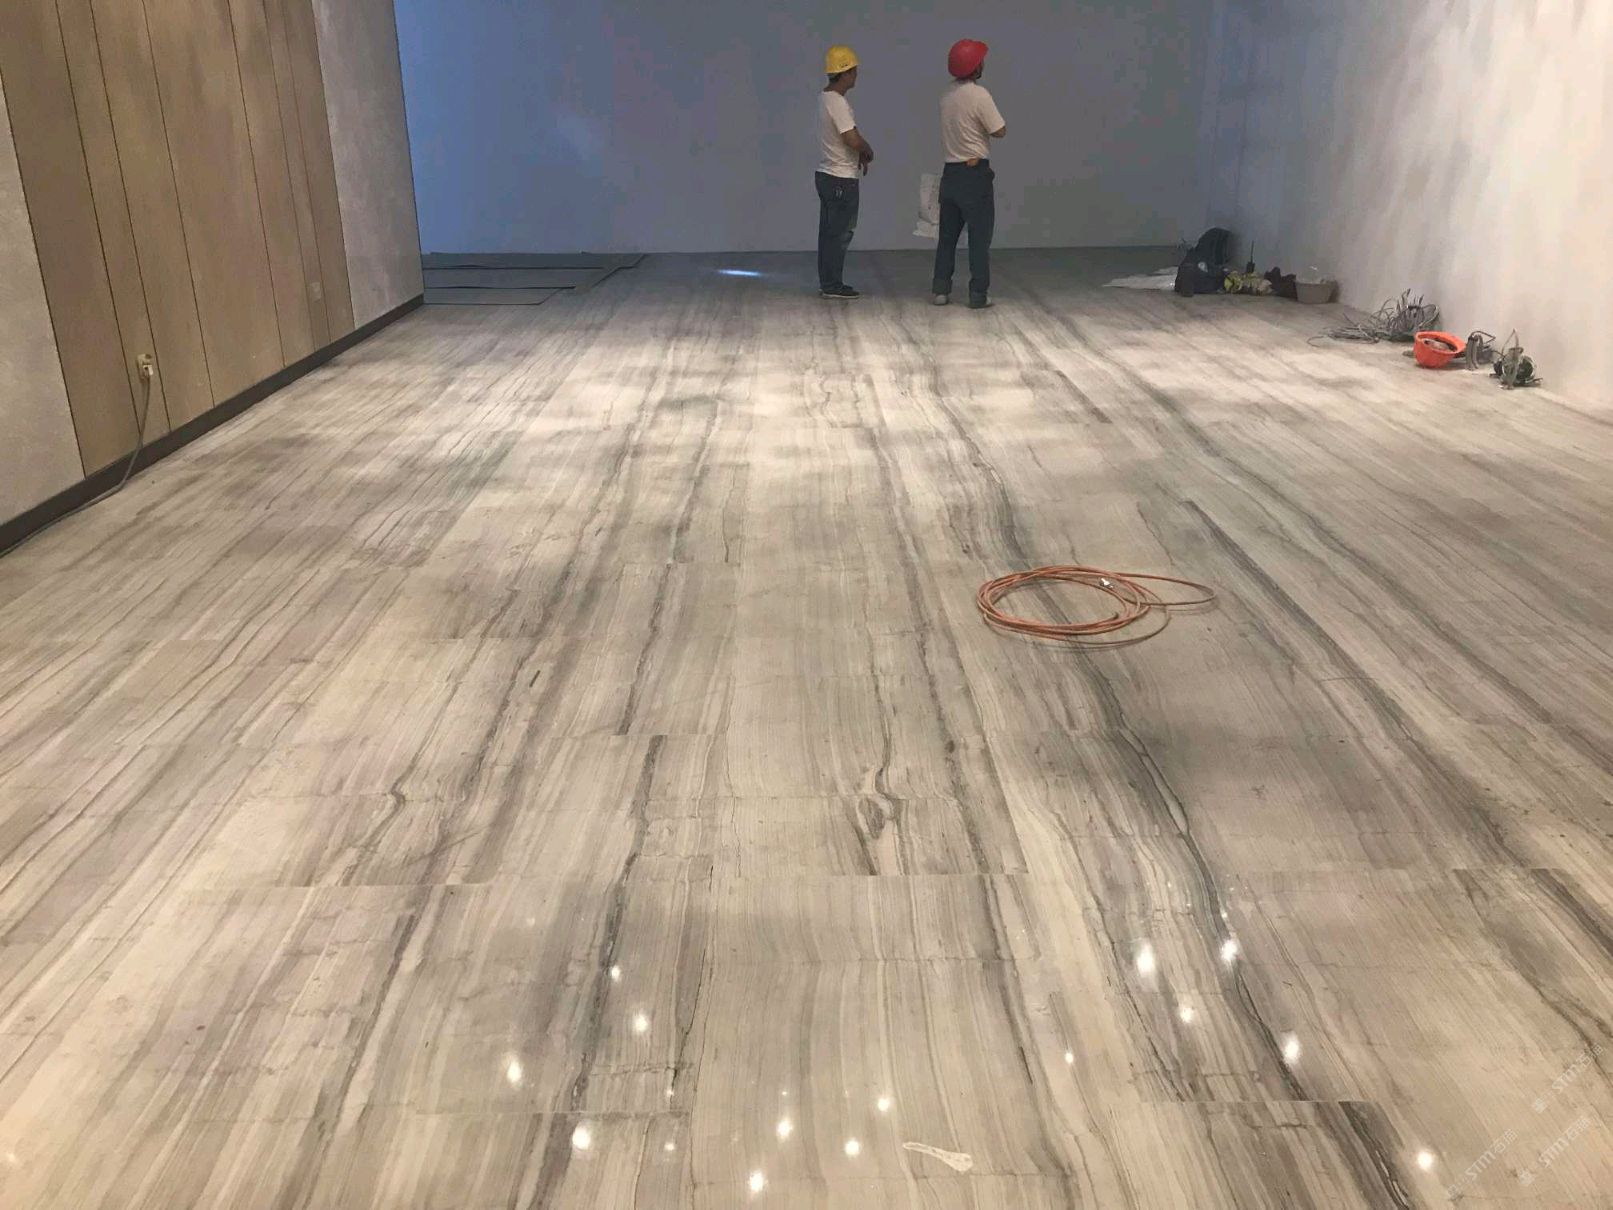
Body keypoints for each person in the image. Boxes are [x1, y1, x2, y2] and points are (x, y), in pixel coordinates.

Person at [932, 39, 1006, 309]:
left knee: (947, 237)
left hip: (950, 173)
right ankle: (978, 294)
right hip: (975, 174)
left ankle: (941, 290)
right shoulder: (980, 95)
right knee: (978, 237)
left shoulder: (945, 95)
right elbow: (999, 130)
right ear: (975, 66)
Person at [817, 46, 873, 300]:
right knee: (840, 234)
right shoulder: (838, 103)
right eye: (854, 70)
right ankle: (832, 285)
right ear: (846, 72)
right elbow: (851, 138)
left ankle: (828, 282)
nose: (856, 75)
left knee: (829, 233)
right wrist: (867, 150)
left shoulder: (824, 98)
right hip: (841, 178)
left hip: (827, 174)